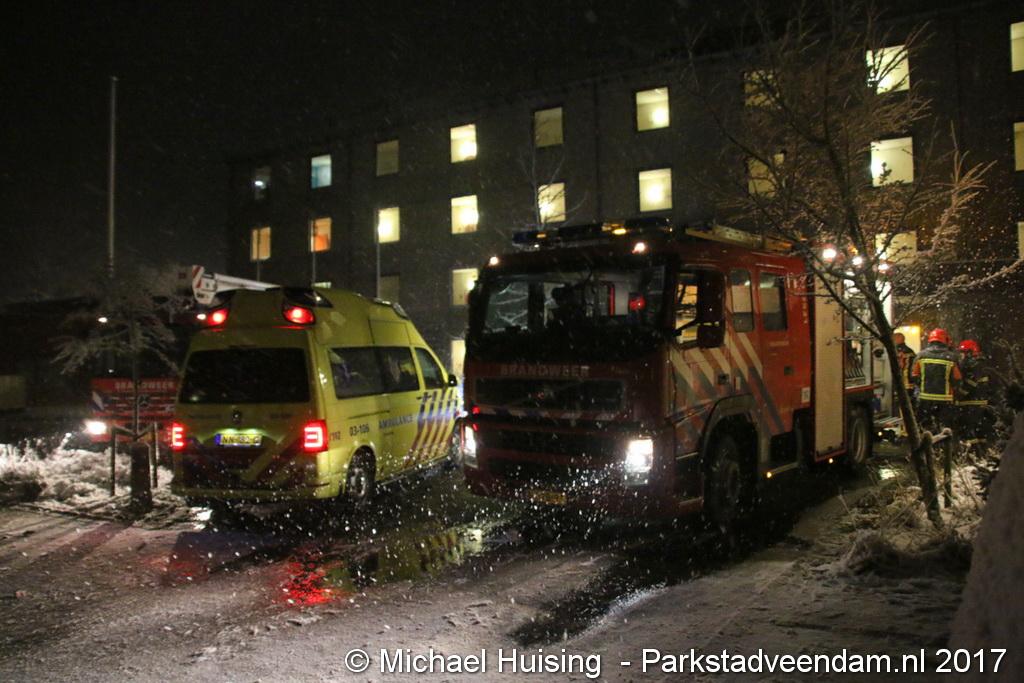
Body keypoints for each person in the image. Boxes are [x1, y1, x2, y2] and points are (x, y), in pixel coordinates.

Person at [911, 328, 962, 437]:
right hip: (945, 399)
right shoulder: (951, 357)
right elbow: (957, 378)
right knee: (944, 429)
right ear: (945, 340)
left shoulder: (921, 356)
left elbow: (914, 375)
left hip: (925, 398)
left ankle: (928, 444)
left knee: (925, 428)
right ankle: (944, 445)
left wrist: (922, 386)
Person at [956, 339, 996, 443]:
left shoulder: (973, 365)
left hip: (970, 404)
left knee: (969, 433)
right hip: (979, 403)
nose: (961, 356)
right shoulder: (981, 364)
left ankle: (973, 451)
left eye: (962, 353)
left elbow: (970, 383)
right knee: (980, 434)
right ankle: (982, 450)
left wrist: (959, 394)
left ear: (969, 353)